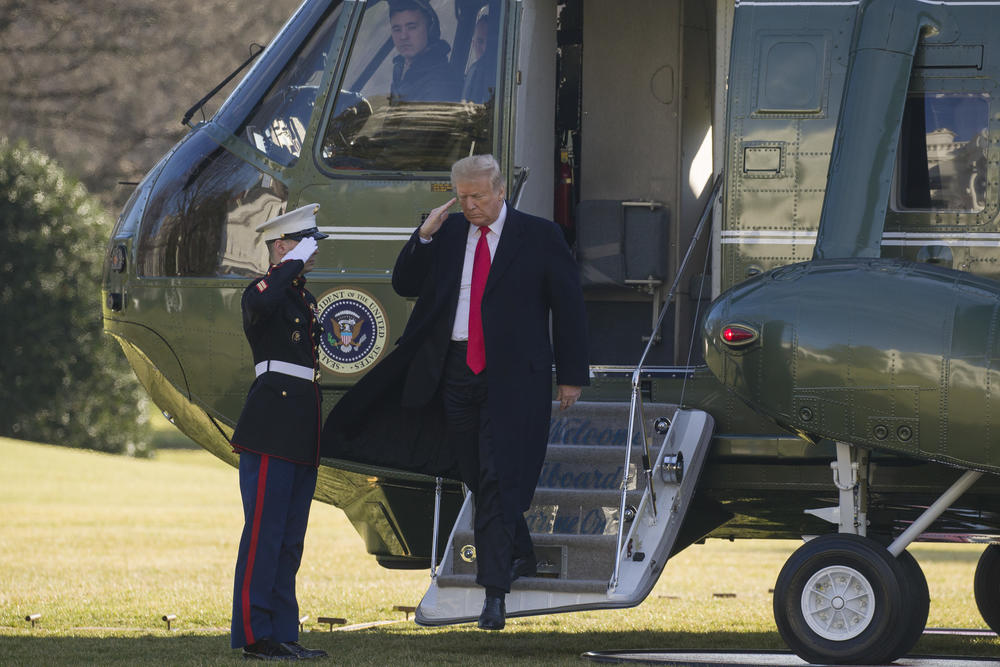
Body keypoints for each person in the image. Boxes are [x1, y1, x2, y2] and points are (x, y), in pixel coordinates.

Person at [322, 155, 589, 630]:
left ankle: (495, 594)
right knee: (475, 473)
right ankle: (519, 553)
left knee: (495, 474)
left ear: (500, 190)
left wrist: (571, 376)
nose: (470, 205)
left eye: (478, 196)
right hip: (453, 372)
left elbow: (569, 308)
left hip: (513, 380)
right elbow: (404, 283)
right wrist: (422, 235)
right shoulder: (445, 236)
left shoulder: (540, 237)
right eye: (462, 197)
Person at [229, 203, 330, 661]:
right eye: (305, 246)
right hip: (270, 426)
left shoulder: (304, 299)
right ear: (283, 247)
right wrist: (288, 264)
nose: (313, 256)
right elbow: (262, 302)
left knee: (290, 538)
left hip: (300, 427)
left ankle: (283, 630)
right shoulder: (264, 291)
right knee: (265, 534)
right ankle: (255, 634)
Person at [388, 0, 460, 102]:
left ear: (430, 29)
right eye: (397, 29)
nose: (403, 36)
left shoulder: (439, 84)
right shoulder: (401, 69)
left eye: (411, 27)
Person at [461, 8, 494, 103]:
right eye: (480, 41)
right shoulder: (473, 73)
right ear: (473, 44)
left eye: (489, 43)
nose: (484, 48)